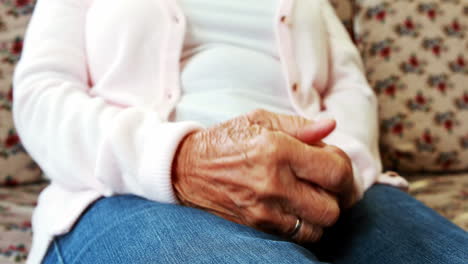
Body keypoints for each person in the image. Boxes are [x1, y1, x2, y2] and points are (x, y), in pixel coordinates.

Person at [12, 0, 468, 263]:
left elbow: (350, 88)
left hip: (327, 190)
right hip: (128, 194)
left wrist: (330, 169)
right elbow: (40, 94)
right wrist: (180, 162)